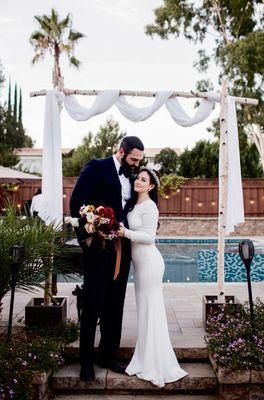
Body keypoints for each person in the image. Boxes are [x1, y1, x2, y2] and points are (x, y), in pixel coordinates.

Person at [70, 136, 144, 381]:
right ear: (121, 152)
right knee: (93, 304)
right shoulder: (96, 167)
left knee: (115, 303)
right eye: (133, 159)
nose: (136, 164)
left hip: (123, 248)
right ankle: (86, 362)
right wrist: (91, 237)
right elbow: (76, 204)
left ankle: (109, 355)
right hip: (99, 249)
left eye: (139, 161)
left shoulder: (133, 176)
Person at [117, 168, 188, 387]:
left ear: (151, 186)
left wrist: (125, 233)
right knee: (145, 311)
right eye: (138, 177)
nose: (138, 181)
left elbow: (149, 237)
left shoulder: (150, 206)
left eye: (144, 179)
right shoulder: (133, 204)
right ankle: (145, 357)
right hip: (139, 263)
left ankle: (154, 363)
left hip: (149, 262)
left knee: (151, 309)